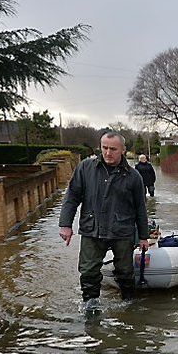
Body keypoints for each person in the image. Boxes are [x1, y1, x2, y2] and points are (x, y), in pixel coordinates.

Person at [58, 131, 149, 306]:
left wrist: (143, 236)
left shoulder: (133, 176)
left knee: (125, 271)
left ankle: (128, 303)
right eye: (104, 148)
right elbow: (71, 197)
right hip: (92, 229)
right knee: (88, 271)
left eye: (113, 149)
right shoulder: (86, 168)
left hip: (122, 231)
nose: (108, 153)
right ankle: (90, 305)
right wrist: (65, 225)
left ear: (122, 150)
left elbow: (141, 209)